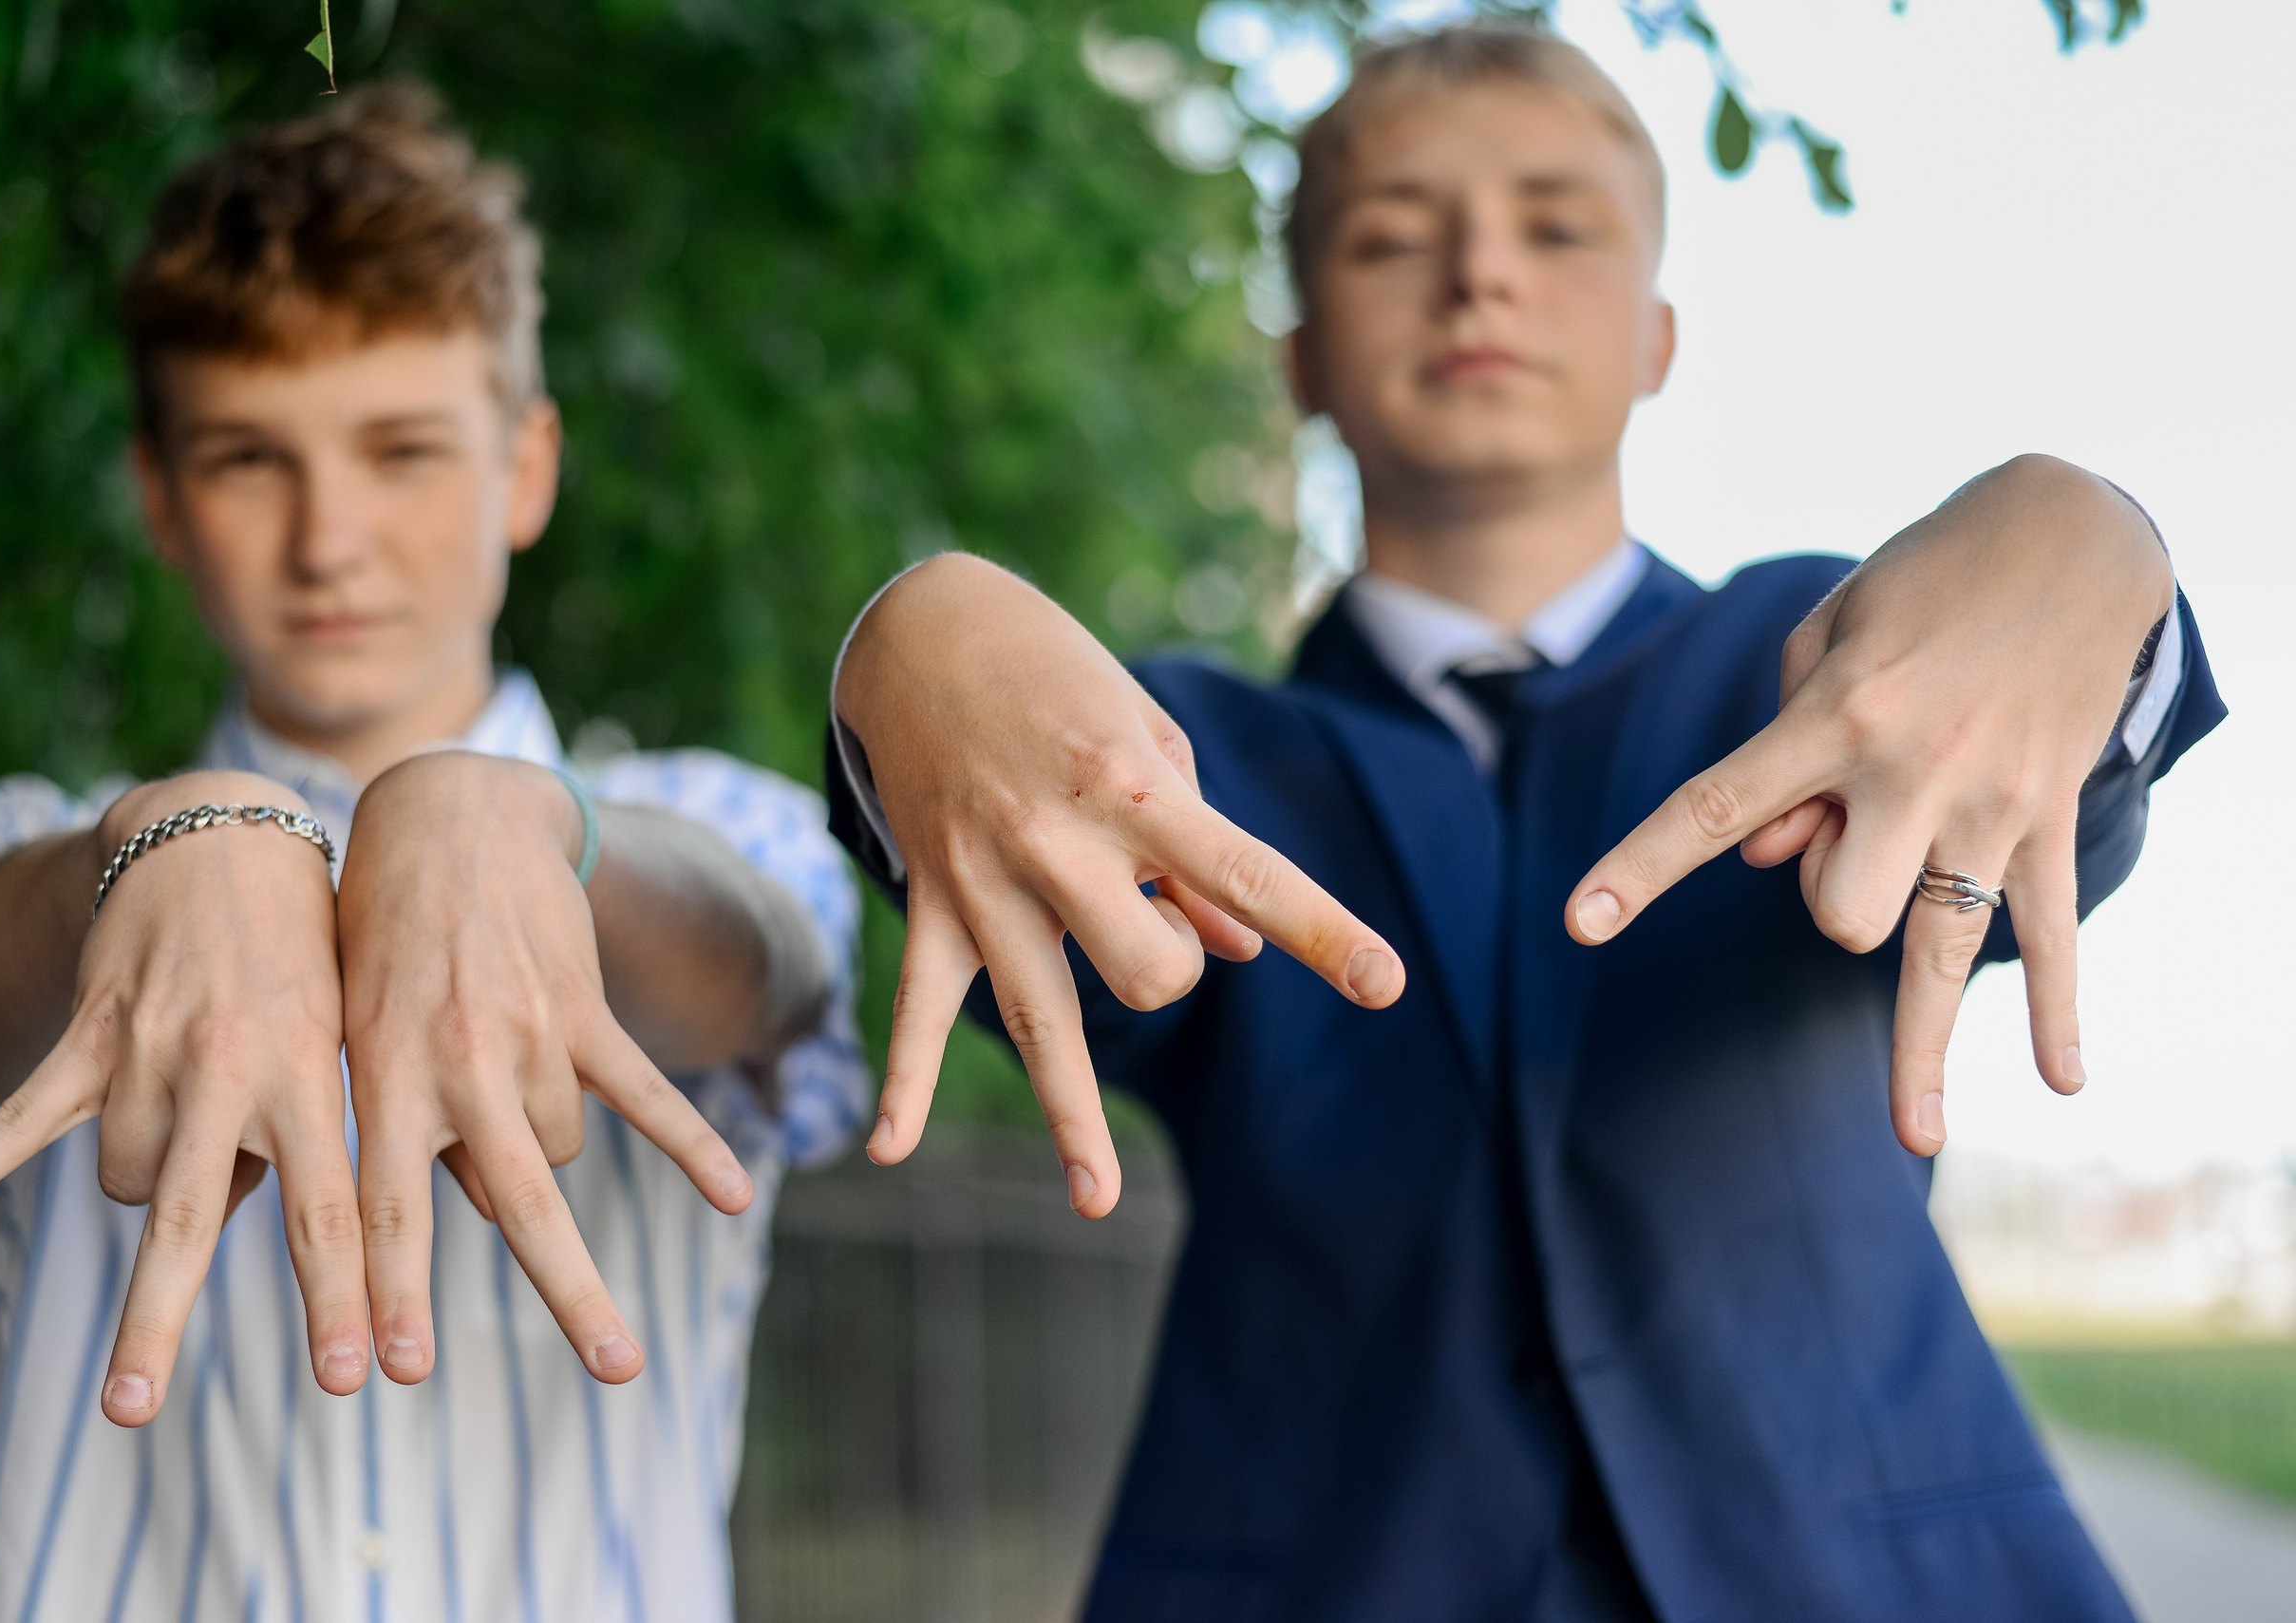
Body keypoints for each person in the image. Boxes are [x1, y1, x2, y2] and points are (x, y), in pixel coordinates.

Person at [826, 24, 2221, 1623]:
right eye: (1390, 235)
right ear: (1297, 355)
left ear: (1660, 336)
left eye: (1558, 226)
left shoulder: (1843, 671)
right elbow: (960, 805)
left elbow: (2065, 750)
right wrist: (899, 646)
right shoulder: (1159, 758)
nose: (1479, 270)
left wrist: (2098, 548)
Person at [0, 88, 866, 1622]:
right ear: (159, 494)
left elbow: (771, 957)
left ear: (526, 470)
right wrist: (152, 844)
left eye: (401, 448)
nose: (328, 536)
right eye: (249, 458)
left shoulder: (717, 822)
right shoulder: (25, 845)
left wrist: (528, 825)